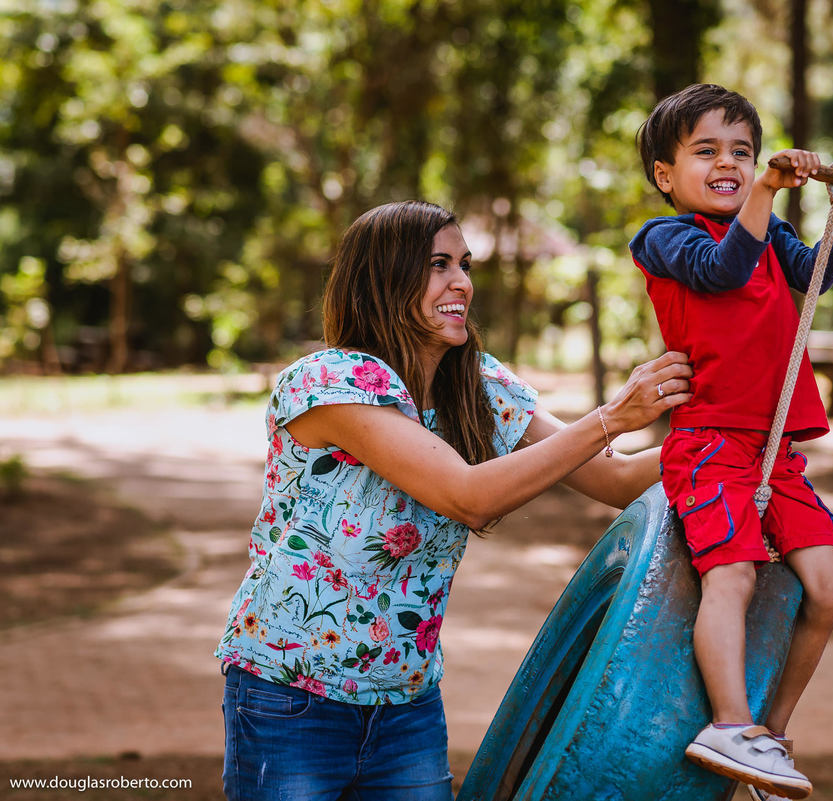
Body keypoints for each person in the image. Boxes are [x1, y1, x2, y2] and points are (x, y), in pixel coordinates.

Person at [215, 199, 692, 801]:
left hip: (407, 703)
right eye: (439, 265)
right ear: (385, 279)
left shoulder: (479, 385)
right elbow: (466, 496)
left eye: (464, 265)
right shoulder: (331, 381)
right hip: (290, 696)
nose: (462, 282)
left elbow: (617, 482)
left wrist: (733, 447)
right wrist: (612, 416)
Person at [629, 84, 833, 799]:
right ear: (667, 174)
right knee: (735, 575)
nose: (730, 164)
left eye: (742, 152)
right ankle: (729, 721)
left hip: (773, 451)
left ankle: (770, 734)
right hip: (709, 442)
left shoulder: (765, 231)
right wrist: (767, 192)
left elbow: (815, 279)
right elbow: (720, 272)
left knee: (830, 589)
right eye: (708, 151)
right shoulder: (665, 238)